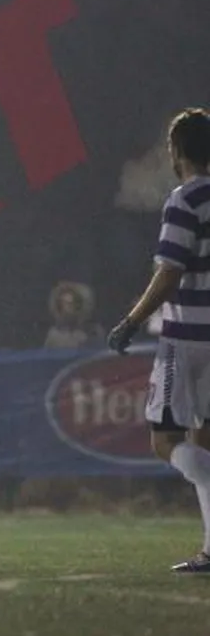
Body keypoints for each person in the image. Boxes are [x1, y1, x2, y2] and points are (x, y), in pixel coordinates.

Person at [107, 107, 210, 574]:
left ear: (177, 151)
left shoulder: (184, 200)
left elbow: (170, 272)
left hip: (185, 338)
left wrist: (132, 321)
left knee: (165, 440)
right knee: (203, 440)